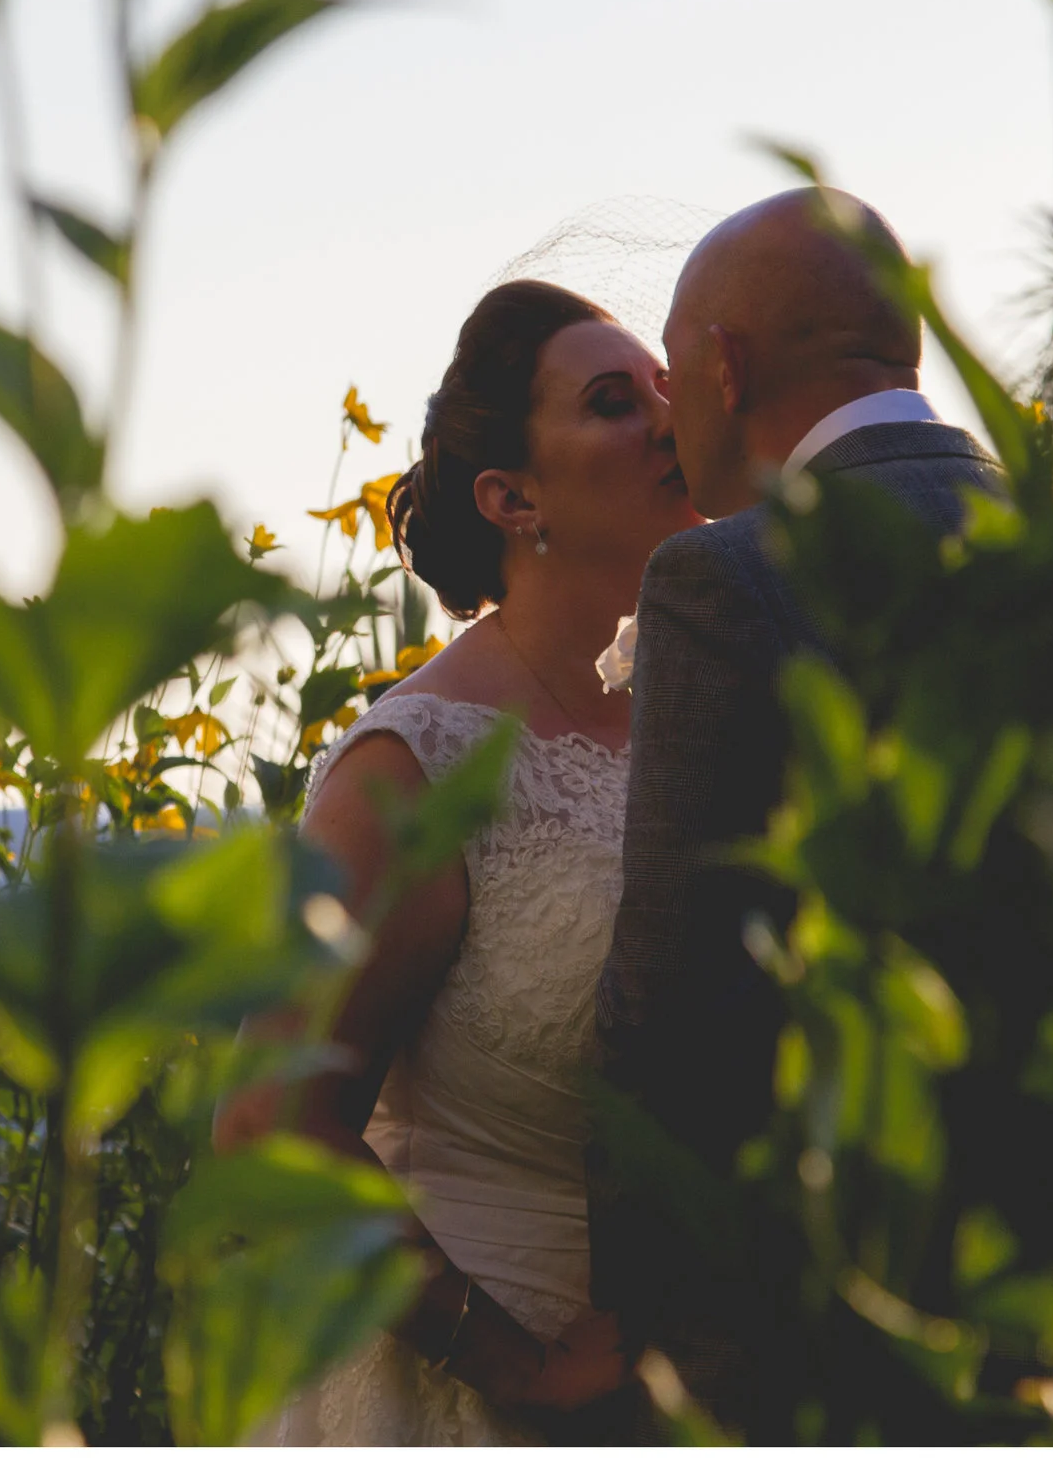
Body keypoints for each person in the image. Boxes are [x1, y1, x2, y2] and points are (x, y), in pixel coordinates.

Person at [220, 278, 706, 1444]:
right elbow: (269, 1120)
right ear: (510, 496)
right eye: (609, 403)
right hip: (466, 1396)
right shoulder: (415, 765)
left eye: (664, 392)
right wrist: (511, 1363)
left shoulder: (705, 711)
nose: (665, 424)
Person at [591, 187, 1005, 1432]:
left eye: (668, 366)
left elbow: (667, 997)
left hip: (808, 1333)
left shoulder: (728, 580)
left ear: (721, 365)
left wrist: (639, 1332)